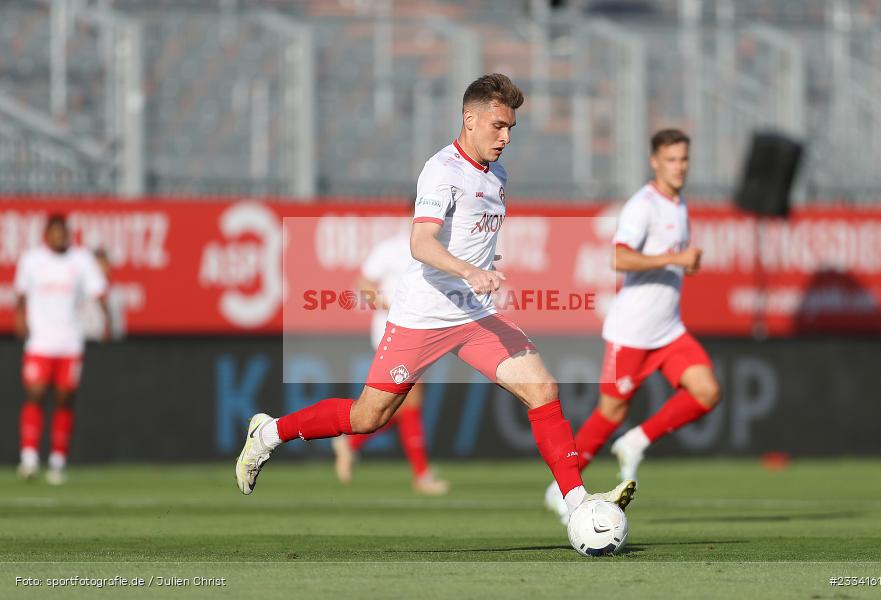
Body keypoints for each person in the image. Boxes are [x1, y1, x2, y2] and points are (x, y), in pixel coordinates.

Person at [236, 73, 635, 521]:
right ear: (470, 119)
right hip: (423, 315)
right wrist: (470, 271)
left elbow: (467, 235)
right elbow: (421, 243)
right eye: (498, 126)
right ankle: (269, 433)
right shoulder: (441, 170)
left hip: (475, 314)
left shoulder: (496, 174)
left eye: (511, 129)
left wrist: (482, 264)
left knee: (543, 388)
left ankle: (577, 504)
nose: (505, 137)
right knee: (369, 416)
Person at [545, 129, 721, 519]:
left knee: (707, 392)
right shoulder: (643, 205)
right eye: (671, 159)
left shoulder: (679, 204)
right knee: (610, 411)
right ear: (654, 161)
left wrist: (683, 262)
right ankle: (562, 488)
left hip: (669, 329)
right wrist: (671, 260)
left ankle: (636, 441)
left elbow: (669, 258)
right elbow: (620, 259)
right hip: (634, 330)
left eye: (684, 159)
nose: (679, 167)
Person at [331, 229, 449, 495]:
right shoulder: (393, 247)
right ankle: (421, 474)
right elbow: (362, 282)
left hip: (419, 332)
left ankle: (351, 443)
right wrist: (389, 306)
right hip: (393, 333)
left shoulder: (437, 248)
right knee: (411, 401)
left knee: (399, 406)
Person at [14, 214, 109, 484]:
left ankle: (58, 461)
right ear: (47, 234)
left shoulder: (81, 260)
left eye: (63, 232)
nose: (59, 236)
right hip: (40, 341)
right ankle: (29, 458)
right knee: (35, 393)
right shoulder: (32, 261)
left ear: (68, 233)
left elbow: (98, 291)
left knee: (64, 398)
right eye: (54, 232)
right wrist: (19, 320)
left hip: (70, 342)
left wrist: (106, 319)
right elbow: (21, 296)